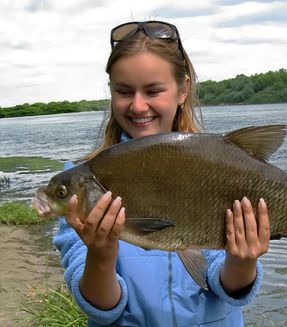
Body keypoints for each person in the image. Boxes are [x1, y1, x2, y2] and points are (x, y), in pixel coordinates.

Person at [53, 20, 270, 326]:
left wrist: (242, 260)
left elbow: (229, 287)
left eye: (153, 90)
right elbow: (100, 308)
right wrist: (100, 255)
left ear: (183, 89)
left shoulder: (218, 170)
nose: (138, 106)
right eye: (124, 91)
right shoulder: (80, 183)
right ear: (111, 92)